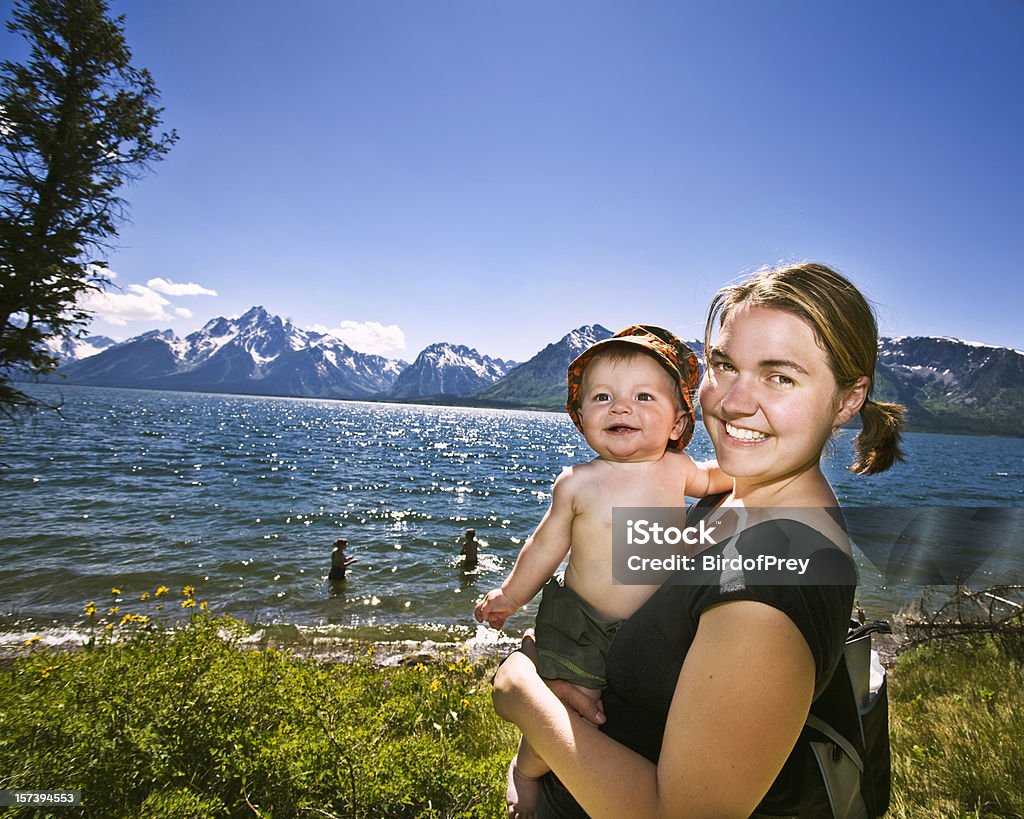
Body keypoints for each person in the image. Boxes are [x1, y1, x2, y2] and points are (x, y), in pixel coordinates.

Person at [491, 262, 906, 818]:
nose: (734, 401)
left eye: (780, 376)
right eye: (725, 365)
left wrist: (522, 692)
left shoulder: (771, 585)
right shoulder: (737, 492)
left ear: (849, 400)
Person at [475, 325, 732, 817]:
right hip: (584, 624)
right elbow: (544, 547)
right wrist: (510, 596)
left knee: (645, 708)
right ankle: (526, 768)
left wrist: (769, 469)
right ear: (581, 418)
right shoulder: (578, 483)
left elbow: (721, 477)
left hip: (650, 624)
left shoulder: (677, 470)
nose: (620, 407)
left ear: (677, 424)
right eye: (602, 397)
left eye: (642, 396)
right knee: (575, 712)